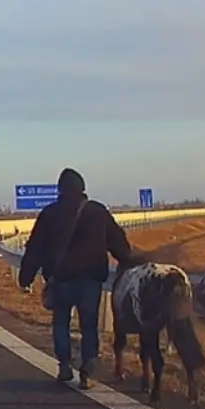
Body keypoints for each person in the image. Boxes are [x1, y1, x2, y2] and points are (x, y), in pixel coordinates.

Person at [18, 167, 135, 389]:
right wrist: (127, 260)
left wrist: (26, 277)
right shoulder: (98, 211)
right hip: (90, 280)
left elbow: (35, 249)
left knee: (60, 322)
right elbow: (117, 241)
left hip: (60, 280)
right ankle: (88, 371)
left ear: (60, 190)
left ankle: (64, 365)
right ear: (82, 188)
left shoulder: (50, 213)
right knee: (88, 325)